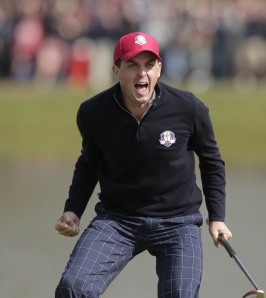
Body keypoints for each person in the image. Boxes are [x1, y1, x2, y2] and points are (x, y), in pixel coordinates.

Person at [55, 32, 232, 298]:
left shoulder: (188, 107)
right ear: (116, 70)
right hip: (118, 220)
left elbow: (211, 161)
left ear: (159, 69)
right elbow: (88, 163)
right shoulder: (93, 112)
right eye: (132, 65)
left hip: (178, 222)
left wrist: (217, 217)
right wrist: (73, 210)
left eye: (149, 65)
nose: (142, 73)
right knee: (73, 288)